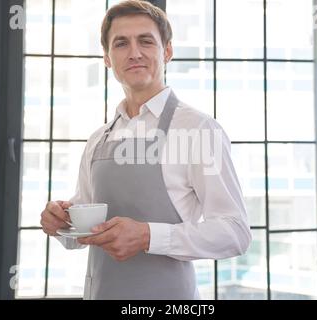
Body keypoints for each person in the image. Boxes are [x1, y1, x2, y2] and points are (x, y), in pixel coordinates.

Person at [40, 0, 251, 300]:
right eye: (121, 43)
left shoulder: (199, 130)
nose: (135, 53)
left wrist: (149, 236)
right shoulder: (98, 139)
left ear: (167, 51)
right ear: (107, 58)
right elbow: (83, 231)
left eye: (146, 41)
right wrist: (61, 222)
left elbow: (235, 233)